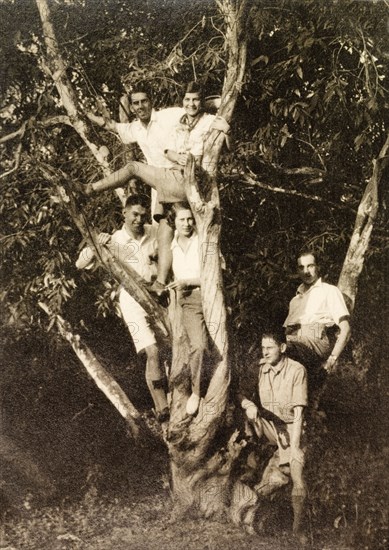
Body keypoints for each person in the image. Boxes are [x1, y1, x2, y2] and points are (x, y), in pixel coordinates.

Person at [85, 82, 230, 297]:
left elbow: (195, 105)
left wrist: (222, 104)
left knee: (134, 167)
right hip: (163, 185)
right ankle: (162, 283)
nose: (140, 106)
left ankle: (89, 189)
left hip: (179, 176)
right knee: (165, 229)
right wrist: (85, 114)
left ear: (152, 102)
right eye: (136, 103)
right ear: (132, 107)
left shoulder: (169, 115)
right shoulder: (135, 127)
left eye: (144, 101)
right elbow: (112, 126)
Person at [75, 194, 169, 425]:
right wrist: (96, 242)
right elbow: (81, 264)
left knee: (169, 351)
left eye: (142, 215)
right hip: (131, 301)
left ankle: (171, 400)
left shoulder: (154, 231)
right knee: (152, 351)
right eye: (134, 214)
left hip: (158, 296)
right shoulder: (114, 239)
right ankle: (162, 407)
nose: (138, 219)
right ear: (124, 213)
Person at [240, 328, 308, 543]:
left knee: (295, 473)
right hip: (269, 426)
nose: (265, 352)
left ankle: (298, 530)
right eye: (263, 348)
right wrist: (248, 404)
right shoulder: (261, 368)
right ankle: (247, 473)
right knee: (245, 420)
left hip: (291, 428)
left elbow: (299, 412)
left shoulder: (297, 370)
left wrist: (295, 446)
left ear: (283, 348)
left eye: (270, 348)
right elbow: (239, 393)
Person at [284, 251, 351, 398]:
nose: (306, 271)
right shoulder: (295, 299)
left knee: (285, 349)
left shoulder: (329, 291)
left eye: (310, 266)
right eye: (301, 267)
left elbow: (345, 329)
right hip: (294, 339)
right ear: (297, 270)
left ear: (318, 267)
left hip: (315, 340)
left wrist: (331, 360)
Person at [165, 202, 209, 416]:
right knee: (199, 346)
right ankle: (196, 392)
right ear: (174, 222)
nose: (187, 223)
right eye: (182, 219)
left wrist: (188, 281)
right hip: (189, 300)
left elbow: (216, 272)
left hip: (210, 295)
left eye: (190, 219)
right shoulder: (169, 245)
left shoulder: (202, 241)